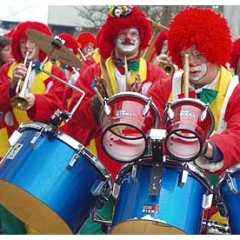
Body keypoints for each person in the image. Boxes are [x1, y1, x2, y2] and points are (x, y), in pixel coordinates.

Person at [66, 5, 167, 234]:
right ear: (113, 36)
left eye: (134, 33)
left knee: (132, 228)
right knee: (89, 229)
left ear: (141, 38)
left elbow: (163, 120)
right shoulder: (92, 72)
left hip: (140, 166)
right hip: (100, 163)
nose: (128, 37)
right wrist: (96, 106)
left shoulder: (157, 74)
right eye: (123, 32)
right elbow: (76, 116)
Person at [147, 7, 240, 233]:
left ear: (216, 51)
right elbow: (146, 123)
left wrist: (208, 147)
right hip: (170, 190)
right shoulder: (165, 87)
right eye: (187, 55)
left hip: (222, 198)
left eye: (201, 55)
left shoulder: (235, 90)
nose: (194, 63)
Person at [0, 21, 68, 234]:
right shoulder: (6, 69)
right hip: (9, 141)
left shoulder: (56, 72)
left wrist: (36, 101)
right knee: (6, 196)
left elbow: (59, 105)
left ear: (41, 45)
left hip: (41, 146)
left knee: (34, 199)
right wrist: (11, 85)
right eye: (22, 42)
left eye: (32, 42)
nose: (27, 47)